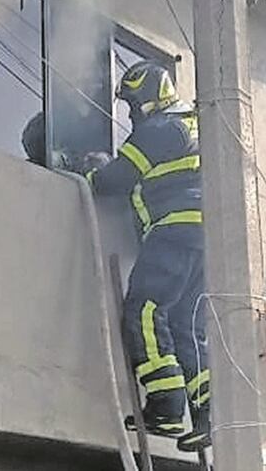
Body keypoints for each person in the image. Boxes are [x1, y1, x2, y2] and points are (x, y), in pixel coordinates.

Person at [85, 60, 211, 452]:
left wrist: (90, 173)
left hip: (173, 232)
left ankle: (166, 405)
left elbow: (117, 179)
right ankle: (209, 414)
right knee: (185, 324)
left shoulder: (160, 129)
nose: (130, 113)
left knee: (144, 310)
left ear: (147, 98)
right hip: (206, 242)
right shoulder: (194, 126)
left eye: (132, 104)